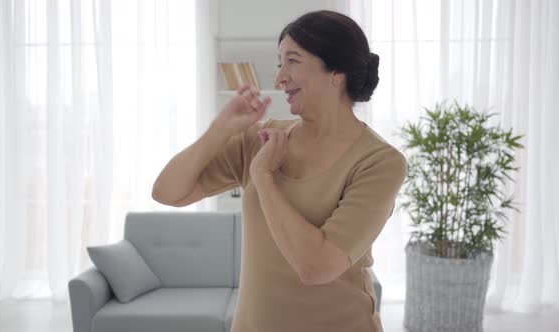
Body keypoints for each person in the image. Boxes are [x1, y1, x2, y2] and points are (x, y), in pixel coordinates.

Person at [152, 9, 407, 332]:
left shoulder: (379, 161)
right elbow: (167, 192)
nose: (279, 78)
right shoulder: (262, 138)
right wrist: (220, 129)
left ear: (336, 72)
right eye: (279, 64)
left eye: (293, 61)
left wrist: (263, 178)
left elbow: (316, 267)